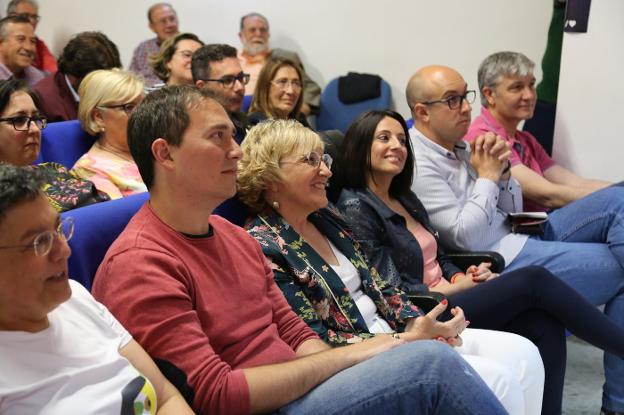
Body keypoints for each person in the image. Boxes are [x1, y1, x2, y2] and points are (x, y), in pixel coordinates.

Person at [91, 85, 508, 415]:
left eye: (233, 136)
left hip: (301, 389)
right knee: (430, 368)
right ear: (165, 154)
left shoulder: (230, 233)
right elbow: (214, 395)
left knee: (442, 357)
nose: (236, 150)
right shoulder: (141, 263)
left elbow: (295, 333)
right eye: (218, 137)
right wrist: (372, 352)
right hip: (267, 407)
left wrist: (377, 350)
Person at [239, 119, 546, 415]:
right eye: (310, 160)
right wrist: (406, 339)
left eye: (324, 158)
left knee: (523, 355)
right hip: (351, 362)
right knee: (500, 381)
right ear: (271, 177)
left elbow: (380, 284)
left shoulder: (327, 218)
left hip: (396, 333)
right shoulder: (263, 247)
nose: (326, 170)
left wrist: (417, 324)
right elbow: (315, 344)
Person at [334, 109, 624, 415]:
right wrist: (458, 288)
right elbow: (391, 290)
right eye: (384, 138)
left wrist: (462, 275)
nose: (397, 146)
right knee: (533, 279)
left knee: (545, 324)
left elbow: (441, 255)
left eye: (401, 139)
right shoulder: (356, 207)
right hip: (424, 312)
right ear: (361, 146)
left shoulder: (403, 197)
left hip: (451, 293)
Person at [406, 65, 624, 415]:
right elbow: (464, 237)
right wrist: (489, 177)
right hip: (498, 257)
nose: (465, 107)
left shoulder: (461, 146)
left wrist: (504, 175)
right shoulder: (419, 163)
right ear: (422, 112)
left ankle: (617, 405)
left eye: (465, 96)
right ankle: (617, 405)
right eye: (452, 100)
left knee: (619, 198)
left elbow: (510, 210)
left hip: (519, 234)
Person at [0, 164, 193, 414]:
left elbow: (164, 397)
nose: (65, 251)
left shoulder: (76, 298)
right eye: (40, 242)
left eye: (58, 230)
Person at [465, 51, 611, 211]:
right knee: (614, 209)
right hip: (519, 233)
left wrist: (618, 189)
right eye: (517, 87)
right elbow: (547, 196)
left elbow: (576, 183)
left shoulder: (525, 139)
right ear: (490, 95)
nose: (529, 95)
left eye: (531, 85)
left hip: (544, 223)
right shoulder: (484, 137)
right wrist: (614, 196)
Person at [0, 79, 108, 211]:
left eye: (35, 119)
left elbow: (106, 208)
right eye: (18, 120)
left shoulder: (54, 170)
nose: (34, 129)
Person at [73, 69, 146, 200]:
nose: (143, 113)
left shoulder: (154, 148)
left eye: (144, 105)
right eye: (129, 107)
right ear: (98, 117)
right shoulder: (88, 172)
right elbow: (121, 219)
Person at [238, 12, 321, 115]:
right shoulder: (231, 60)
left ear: (268, 35)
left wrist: (302, 105)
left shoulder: (284, 57)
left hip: (271, 114)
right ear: (241, 35)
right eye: (252, 30)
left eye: (263, 30)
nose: (258, 34)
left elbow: (311, 87)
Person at [34, 31, 121, 122]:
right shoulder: (44, 100)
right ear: (74, 77)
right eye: (101, 81)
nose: (107, 87)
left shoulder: (114, 93)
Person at [192, 43, 249, 143]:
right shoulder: (192, 132)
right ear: (202, 87)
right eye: (227, 80)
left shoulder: (244, 122)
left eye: (240, 78)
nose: (239, 87)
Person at [248, 55, 309, 127]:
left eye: (296, 83)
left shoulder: (299, 119)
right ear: (265, 86)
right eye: (282, 82)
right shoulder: (257, 122)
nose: (291, 91)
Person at [129, 3, 179, 87]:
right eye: (163, 21)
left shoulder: (190, 45)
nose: (169, 25)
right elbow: (131, 80)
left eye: (172, 19)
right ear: (152, 27)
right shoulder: (143, 48)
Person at [6, 0, 56, 73]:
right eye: (25, 15)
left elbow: (53, 71)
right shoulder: (4, 41)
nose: (31, 21)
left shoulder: (39, 44)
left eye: (34, 17)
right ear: (11, 16)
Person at [0, 15, 44, 86]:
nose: (28, 47)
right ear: (1, 43)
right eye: (21, 39)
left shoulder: (37, 77)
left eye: (32, 41)